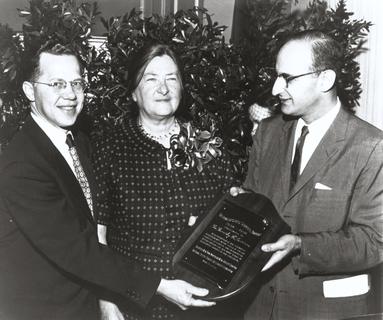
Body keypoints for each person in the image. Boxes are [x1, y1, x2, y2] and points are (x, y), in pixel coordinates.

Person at [0, 43, 215, 320]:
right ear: (30, 91)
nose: (70, 94)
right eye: (57, 84)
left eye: (76, 83)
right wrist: (158, 286)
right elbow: (78, 250)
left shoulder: (78, 141)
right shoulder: (23, 165)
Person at [232, 30, 383, 319]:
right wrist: (236, 208)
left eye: (287, 78)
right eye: (276, 76)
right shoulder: (268, 132)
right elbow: (254, 204)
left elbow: (375, 242)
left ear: (325, 80)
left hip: (327, 311)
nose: (276, 89)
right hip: (260, 307)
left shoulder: (371, 148)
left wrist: (301, 245)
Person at [92, 43, 238, 319]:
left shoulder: (208, 143)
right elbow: (97, 235)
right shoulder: (110, 146)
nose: (164, 88)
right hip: (135, 303)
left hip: (203, 302)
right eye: (151, 79)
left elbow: (231, 216)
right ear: (134, 92)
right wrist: (106, 300)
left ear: (182, 88)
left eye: (172, 78)